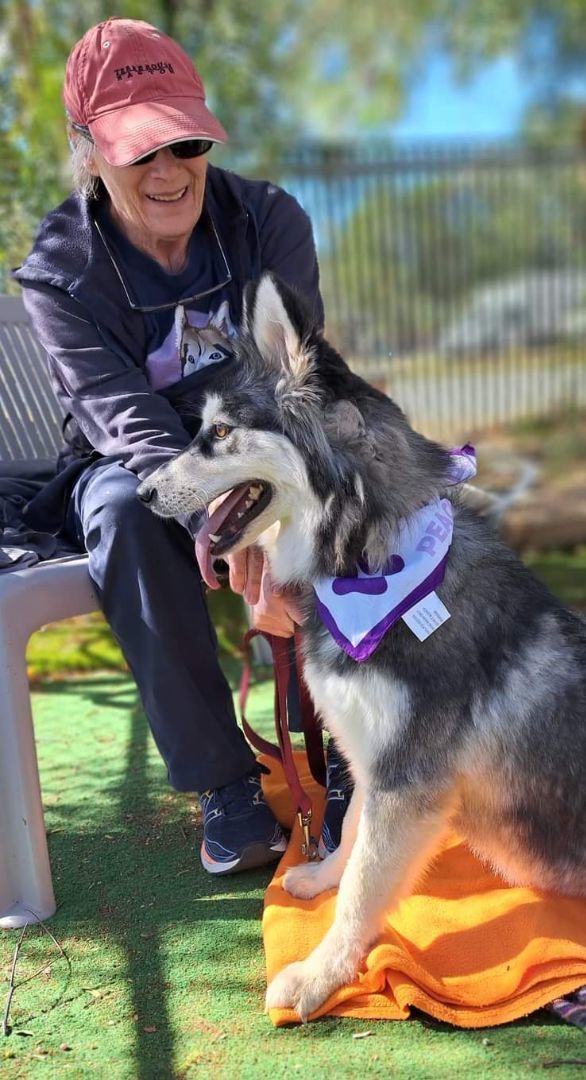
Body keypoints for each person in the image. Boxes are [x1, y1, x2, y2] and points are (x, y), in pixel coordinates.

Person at [14, 16, 349, 875]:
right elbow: (121, 416)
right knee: (125, 516)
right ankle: (225, 786)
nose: (169, 173)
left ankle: (353, 752)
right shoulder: (60, 271)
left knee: (345, 471)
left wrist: (262, 504)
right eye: (138, 152)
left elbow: (292, 375)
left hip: (268, 436)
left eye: (186, 142)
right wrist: (223, 517)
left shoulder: (267, 217)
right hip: (132, 460)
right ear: (88, 149)